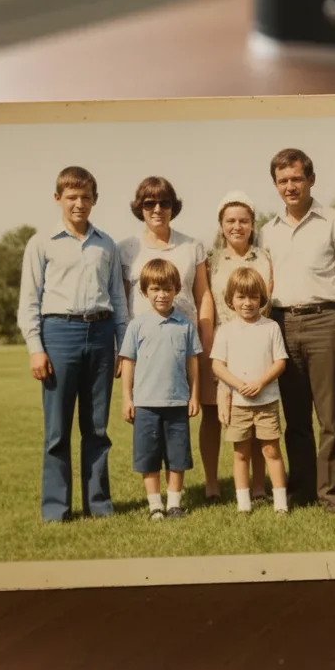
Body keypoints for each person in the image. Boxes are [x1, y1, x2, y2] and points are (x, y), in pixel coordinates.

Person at [17, 165, 129, 523]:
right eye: (72, 197)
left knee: (96, 427)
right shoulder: (41, 243)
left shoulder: (106, 244)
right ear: (58, 198)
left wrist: (123, 346)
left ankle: (99, 505)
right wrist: (36, 348)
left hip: (101, 333)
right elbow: (29, 301)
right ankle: (56, 509)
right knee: (57, 429)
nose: (79, 203)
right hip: (59, 333)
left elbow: (118, 298)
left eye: (86, 197)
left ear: (94, 200)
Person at [260, 148, 335, 513]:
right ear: (275, 185)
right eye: (283, 181)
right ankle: (303, 490)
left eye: (296, 179)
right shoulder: (267, 232)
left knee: (330, 418)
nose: (290, 187)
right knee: (295, 419)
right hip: (282, 324)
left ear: (311, 179)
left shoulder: (334, 222)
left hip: (326, 322)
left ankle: (333, 496)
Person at [118, 176, 216, 488]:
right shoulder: (126, 249)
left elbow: (203, 295)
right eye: (149, 203)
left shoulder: (191, 246)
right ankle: (155, 495)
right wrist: (121, 348)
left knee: (197, 413)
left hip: (186, 343)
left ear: (174, 207)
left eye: (165, 202)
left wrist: (206, 340)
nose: (157, 209)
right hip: (146, 348)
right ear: (140, 207)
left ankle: (212, 484)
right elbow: (121, 301)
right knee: (150, 419)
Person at [203, 190, 274, 504]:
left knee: (257, 413)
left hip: (257, 346)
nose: (237, 226)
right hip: (222, 345)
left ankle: (258, 487)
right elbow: (206, 304)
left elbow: (269, 300)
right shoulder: (211, 261)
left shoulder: (265, 258)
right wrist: (211, 354)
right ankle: (211, 485)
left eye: (243, 220)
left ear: (252, 224)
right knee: (213, 415)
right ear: (221, 225)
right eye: (230, 220)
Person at [119, 258, 202, 520]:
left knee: (177, 457)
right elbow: (128, 363)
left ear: (176, 289)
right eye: (155, 289)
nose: (162, 294)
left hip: (177, 402)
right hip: (145, 404)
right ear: (144, 291)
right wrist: (127, 399)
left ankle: (174, 504)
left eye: (167, 289)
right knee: (149, 457)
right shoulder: (137, 326)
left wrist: (195, 396)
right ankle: (155, 505)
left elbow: (192, 364)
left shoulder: (185, 326)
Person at [210, 266, 289, 515]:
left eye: (253, 297)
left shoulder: (271, 327)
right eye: (241, 297)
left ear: (261, 298)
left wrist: (261, 383)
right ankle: (243, 504)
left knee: (271, 450)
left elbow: (280, 362)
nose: (247, 303)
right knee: (241, 453)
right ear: (231, 299)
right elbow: (217, 365)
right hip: (239, 404)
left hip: (267, 402)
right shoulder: (226, 331)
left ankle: (280, 503)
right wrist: (236, 384)